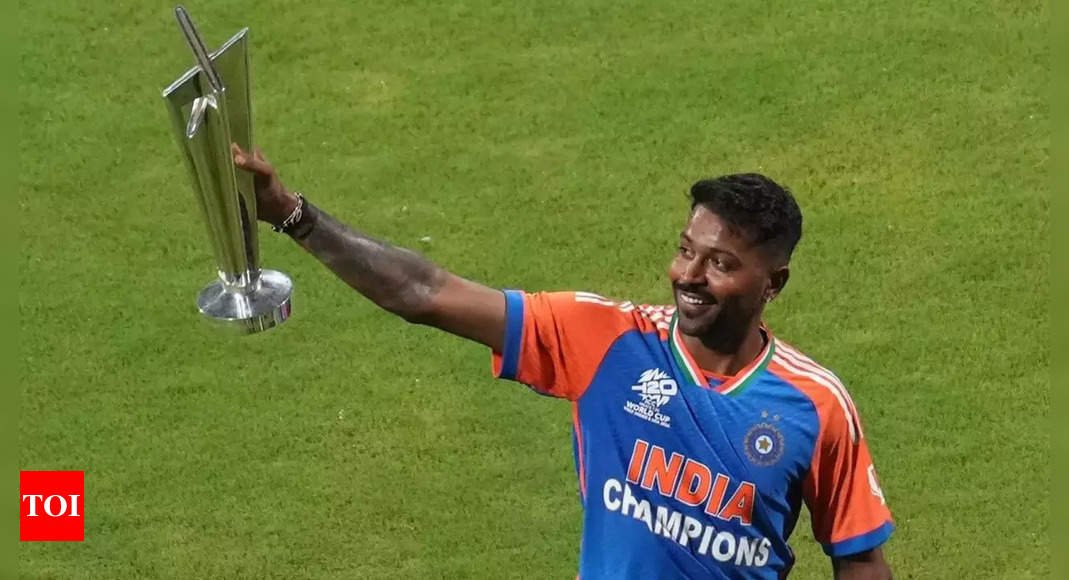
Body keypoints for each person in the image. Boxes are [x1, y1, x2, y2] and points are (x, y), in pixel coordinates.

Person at [231, 144, 894, 579]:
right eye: (685, 249)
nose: (688, 275)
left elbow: (859, 558)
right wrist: (291, 213)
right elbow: (423, 293)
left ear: (771, 284)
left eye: (720, 263)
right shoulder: (607, 339)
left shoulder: (815, 405)